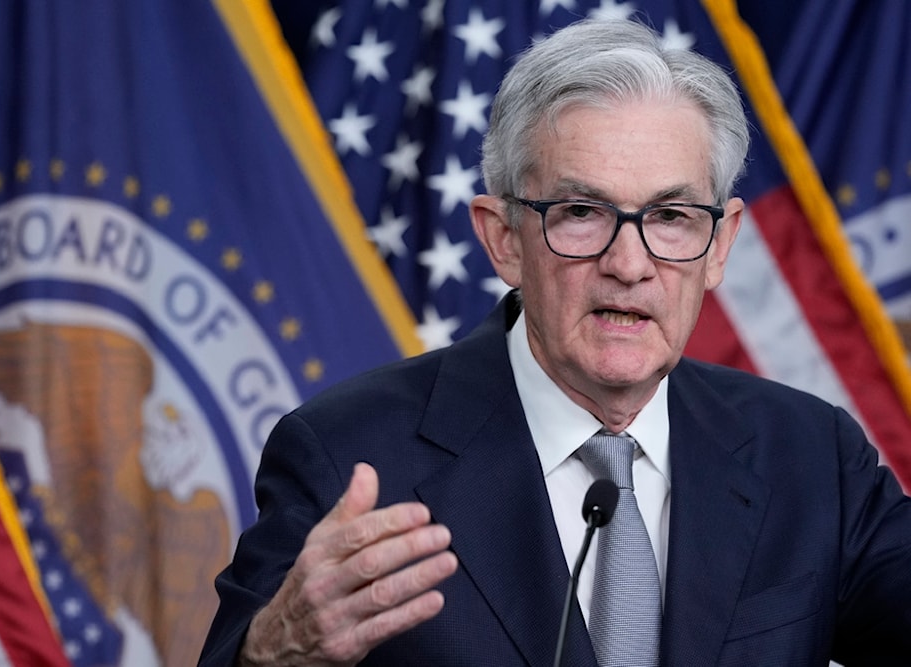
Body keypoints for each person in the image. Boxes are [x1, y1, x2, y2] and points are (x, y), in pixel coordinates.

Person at [199, 17, 911, 666]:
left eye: (669, 215)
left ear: (719, 243)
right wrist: (273, 653)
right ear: (503, 237)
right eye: (579, 211)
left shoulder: (812, 456)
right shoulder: (350, 458)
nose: (629, 264)